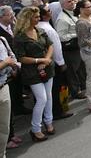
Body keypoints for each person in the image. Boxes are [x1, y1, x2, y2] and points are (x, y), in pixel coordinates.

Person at [13, 7, 55, 142]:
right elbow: (21, 57)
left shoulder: (40, 31)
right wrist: (40, 60)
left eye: (38, 17)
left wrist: (47, 60)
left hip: (47, 68)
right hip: (31, 72)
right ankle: (35, 129)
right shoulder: (20, 37)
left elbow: (50, 46)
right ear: (27, 19)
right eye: (35, 17)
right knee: (41, 99)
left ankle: (49, 122)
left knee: (48, 96)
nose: (38, 19)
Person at [36, 5, 73, 121]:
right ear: (43, 15)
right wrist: (61, 63)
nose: (50, 12)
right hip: (53, 62)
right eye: (48, 11)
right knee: (56, 88)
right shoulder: (47, 29)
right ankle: (57, 111)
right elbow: (56, 47)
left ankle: (52, 112)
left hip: (48, 61)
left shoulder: (40, 27)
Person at [54, 0, 86, 100]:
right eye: (69, 1)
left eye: (73, 0)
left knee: (80, 68)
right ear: (62, 4)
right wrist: (77, 34)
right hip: (70, 49)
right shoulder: (62, 19)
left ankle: (83, 87)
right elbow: (61, 36)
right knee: (72, 71)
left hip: (77, 47)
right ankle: (75, 91)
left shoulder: (73, 14)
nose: (72, 2)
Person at [0, 21, 19, 154]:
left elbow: (10, 56)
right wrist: (5, 63)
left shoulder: (1, 39)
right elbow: (6, 60)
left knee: (4, 128)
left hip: (3, 85)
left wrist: (12, 65)